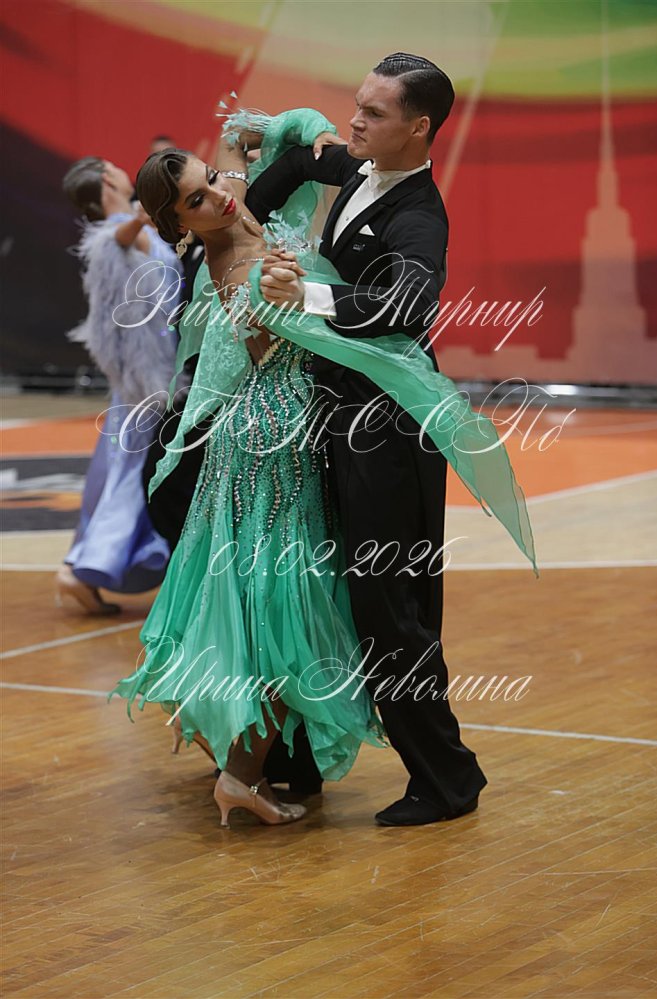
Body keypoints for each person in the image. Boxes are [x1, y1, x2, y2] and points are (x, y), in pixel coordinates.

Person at [109, 109, 535, 830]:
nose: (218, 196)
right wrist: (280, 300)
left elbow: (280, 141)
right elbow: (277, 349)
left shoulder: (253, 211)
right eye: (195, 200)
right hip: (273, 445)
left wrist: (302, 129)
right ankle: (244, 768)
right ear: (180, 225)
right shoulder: (233, 267)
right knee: (287, 608)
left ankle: (255, 764)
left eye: (212, 179)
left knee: (288, 602)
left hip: (302, 436)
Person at [242, 54, 496, 825]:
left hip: (387, 429)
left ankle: (447, 779)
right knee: (313, 589)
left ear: (418, 128)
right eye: (357, 104)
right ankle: (295, 763)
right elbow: (297, 161)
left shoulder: (420, 215)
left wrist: (309, 294)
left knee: (388, 605)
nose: (355, 121)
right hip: (333, 416)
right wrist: (250, 218)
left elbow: (409, 303)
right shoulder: (355, 166)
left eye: (374, 113)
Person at [56, 157, 181, 613]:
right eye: (116, 168)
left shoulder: (130, 228)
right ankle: (85, 567)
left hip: (144, 378)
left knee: (115, 471)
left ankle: (81, 565)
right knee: (133, 473)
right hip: (147, 382)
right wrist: (140, 220)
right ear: (110, 180)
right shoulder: (115, 233)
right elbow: (116, 242)